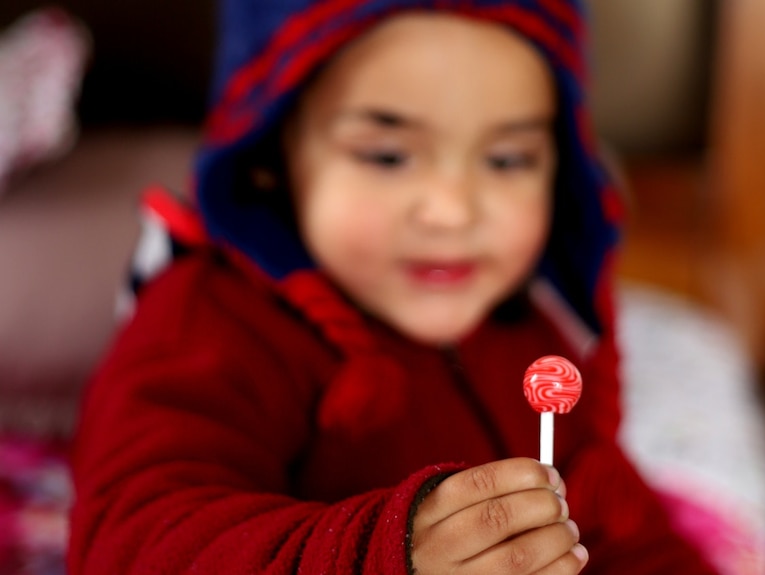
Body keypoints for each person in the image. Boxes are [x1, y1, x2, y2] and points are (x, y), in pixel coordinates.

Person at [67, 1, 720, 573]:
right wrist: (384, 552)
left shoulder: (531, 337)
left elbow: (625, 534)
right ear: (271, 161)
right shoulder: (206, 320)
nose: (452, 211)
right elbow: (134, 541)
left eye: (508, 159)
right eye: (387, 155)